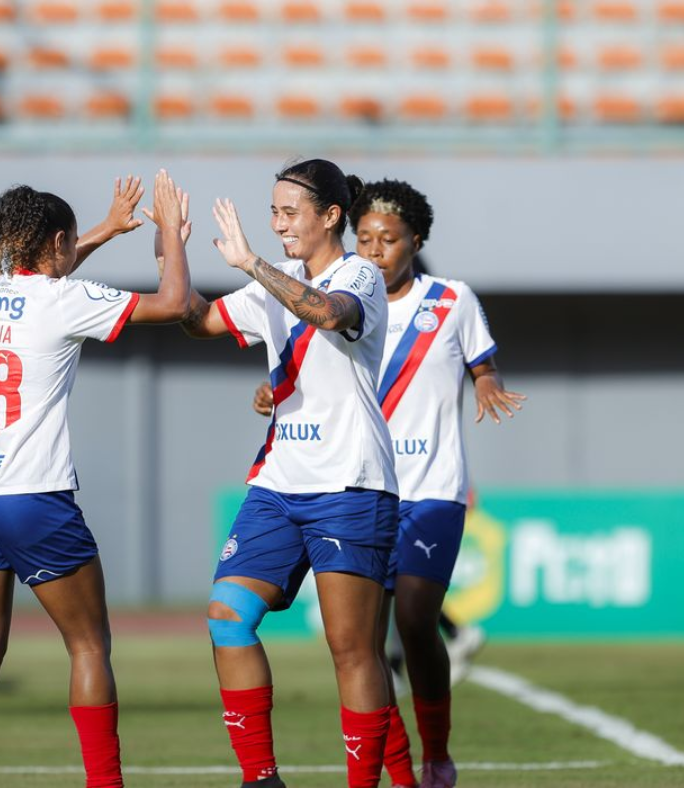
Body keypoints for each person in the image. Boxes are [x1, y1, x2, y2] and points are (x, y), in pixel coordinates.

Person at [252, 178, 525, 787]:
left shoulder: (450, 300)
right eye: (367, 238)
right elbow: (303, 376)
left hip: (432, 487)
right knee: (363, 647)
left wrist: (485, 383)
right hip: (364, 486)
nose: (376, 250)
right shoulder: (341, 297)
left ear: (415, 241)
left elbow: (484, 362)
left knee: (417, 619)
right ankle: (396, 772)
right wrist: (273, 391)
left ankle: (437, 754)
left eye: (390, 239)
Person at [0, 171, 190, 788]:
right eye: (71, 242)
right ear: (54, 242)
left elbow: (49, 269)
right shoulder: (62, 301)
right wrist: (173, 237)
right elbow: (176, 304)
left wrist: (104, 227)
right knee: (88, 646)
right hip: (30, 499)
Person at [169, 159, 400, 788]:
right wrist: (173, 248)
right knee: (226, 615)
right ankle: (261, 779)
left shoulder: (361, 274)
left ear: (330, 216)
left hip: (349, 484)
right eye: (272, 212)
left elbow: (328, 314)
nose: (277, 225)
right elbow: (198, 321)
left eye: (288, 212)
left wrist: (251, 266)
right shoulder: (272, 279)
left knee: (352, 649)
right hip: (278, 484)